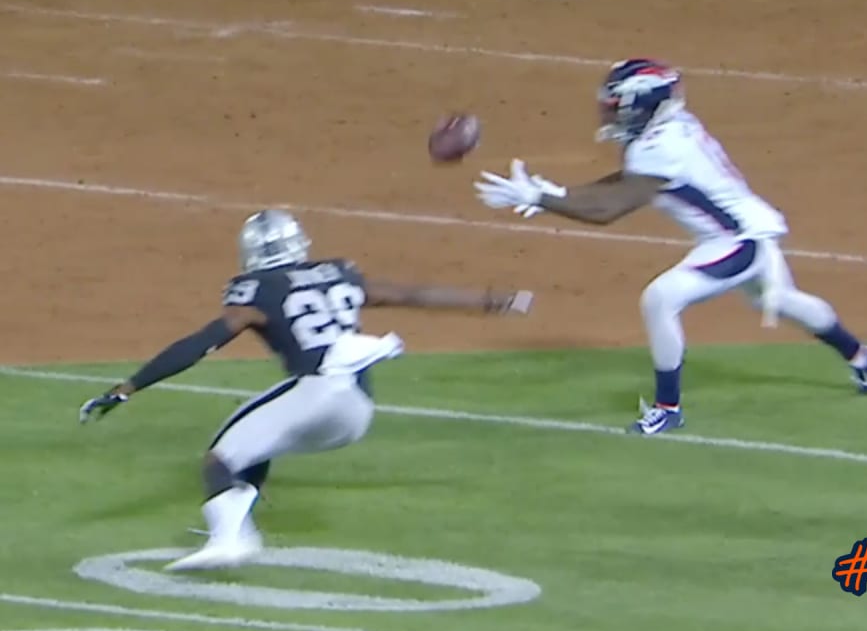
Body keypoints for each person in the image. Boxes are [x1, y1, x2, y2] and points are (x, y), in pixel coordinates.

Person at [78, 209, 533, 570]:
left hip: (316, 392)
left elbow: (201, 343)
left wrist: (129, 387)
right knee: (258, 440)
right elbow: (413, 295)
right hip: (357, 409)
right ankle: (234, 529)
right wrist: (496, 300)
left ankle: (230, 540)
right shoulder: (340, 273)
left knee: (219, 459)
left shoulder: (255, 289)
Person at [473, 58, 867, 436]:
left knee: (660, 298)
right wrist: (559, 193)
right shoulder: (667, 130)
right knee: (779, 299)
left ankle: (667, 407)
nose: (610, 112)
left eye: (617, 104)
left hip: (737, 239)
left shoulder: (661, 146)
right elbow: (630, 182)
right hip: (748, 228)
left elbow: (612, 208)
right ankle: (863, 357)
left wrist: (543, 199)